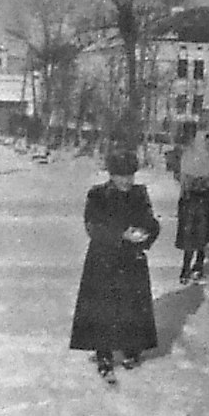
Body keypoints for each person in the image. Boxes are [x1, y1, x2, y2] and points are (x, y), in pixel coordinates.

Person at [70, 149, 161, 384]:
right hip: (104, 259)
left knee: (131, 304)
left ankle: (131, 347)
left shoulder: (139, 194)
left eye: (130, 175)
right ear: (111, 175)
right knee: (103, 306)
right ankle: (104, 353)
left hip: (132, 259)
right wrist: (121, 234)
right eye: (121, 176)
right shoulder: (98, 195)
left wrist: (146, 233)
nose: (126, 181)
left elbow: (151, 221)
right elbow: (93, 226)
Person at [175, 132, 209, 283]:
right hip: (192, 205)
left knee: (205, 239)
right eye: (207, 143)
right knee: (191, 239)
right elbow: (186, 181)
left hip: (207, 205)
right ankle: (185, 269)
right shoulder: (190, 156)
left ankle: (198, 267)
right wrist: (206, 182)